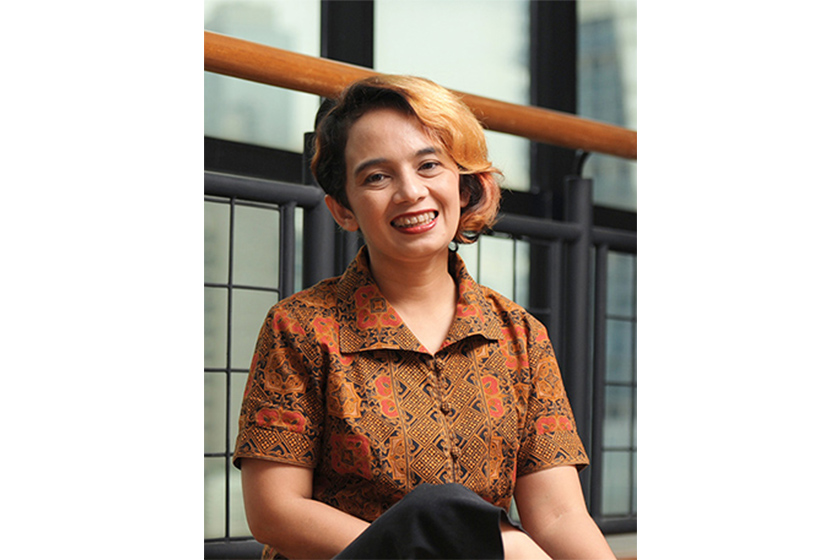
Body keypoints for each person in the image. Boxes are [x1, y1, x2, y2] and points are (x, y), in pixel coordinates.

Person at [233, 74, 617, 560]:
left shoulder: (519, 334)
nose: (411, 192)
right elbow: (275, 511)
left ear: (463, 185)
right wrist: (440, 549)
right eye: (377, 177)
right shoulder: (301, 326)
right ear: (343, 209)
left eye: (429, 165)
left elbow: (559, 515)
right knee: (449, 513)